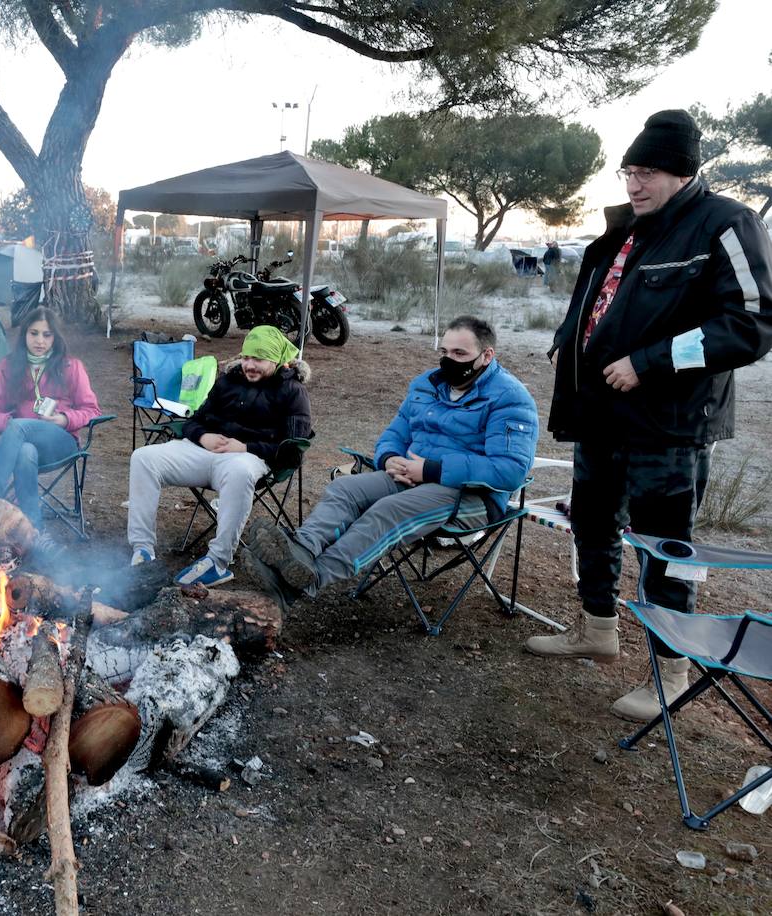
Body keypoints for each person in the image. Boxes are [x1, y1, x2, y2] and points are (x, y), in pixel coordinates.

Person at [523, 109, 772, 721]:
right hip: (598, 415)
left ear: (685, 174)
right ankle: (596, 628)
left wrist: (652, 361)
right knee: (593, 522)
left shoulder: (725, 224)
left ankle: (672, 673)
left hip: (668, 424)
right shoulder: (625, 231)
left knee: (664, 548)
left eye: (649, 172)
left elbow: (753, 323)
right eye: (629, 171)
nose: (635, 185)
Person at [245, 316, 537, 607]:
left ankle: (310, 579)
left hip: (469, 494)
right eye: (445, 352)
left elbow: (509, 470)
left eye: (460, 354)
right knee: (344, 490)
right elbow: (395, 433)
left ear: (487, 356)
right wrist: (389, 457)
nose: (449, 360)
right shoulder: (427, 385)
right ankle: (301, 552)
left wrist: (432, 469)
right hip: (409, 476)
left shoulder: (509, 398)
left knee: (387, 510)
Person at [127, 326, 312, 587]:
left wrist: (246, 448)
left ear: (277, 360)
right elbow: (194, 421)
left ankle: (218, 561)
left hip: (247, 458)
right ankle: (142, 549)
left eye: (258, 359)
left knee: (240, 471)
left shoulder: (293, 391)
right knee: (143, 458)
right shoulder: (228, 380)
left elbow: (293, 450)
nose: (249, 365)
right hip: (205, 451)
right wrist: (203, 437)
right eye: (246, 357)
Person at [0, 307, 101, 530]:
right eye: (33, 333)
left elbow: (91, 409)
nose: (40, 341)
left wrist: (64, 419)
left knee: (19, 429)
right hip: (17, 446)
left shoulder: (71, 366)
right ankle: (34, 530)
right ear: (24, 334)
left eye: (47, 334)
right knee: (25, 450)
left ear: (55, 337)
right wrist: (7, 423)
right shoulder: (7, 366)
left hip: (60, 441)